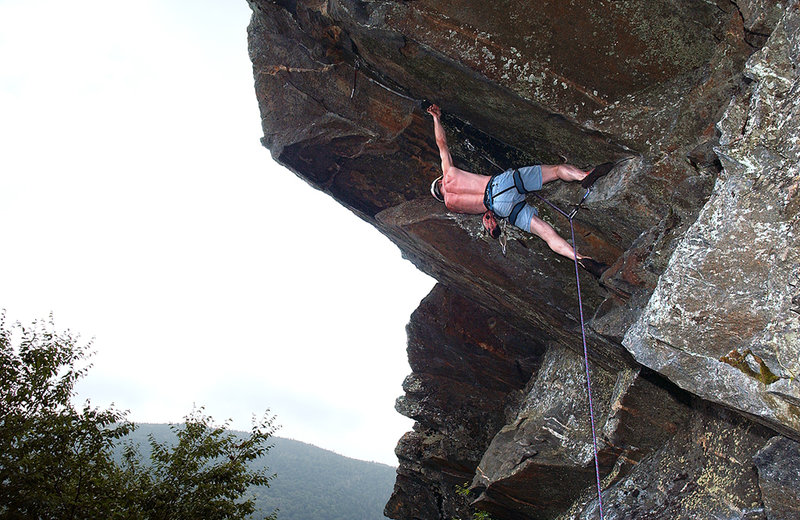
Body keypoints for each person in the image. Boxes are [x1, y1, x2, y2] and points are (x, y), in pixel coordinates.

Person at [426, 104, 608, 277]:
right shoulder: (449, 174)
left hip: (500, 207)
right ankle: (583, 177)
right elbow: (441, 143)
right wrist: (436, 118)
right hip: (500, 184)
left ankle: (580, 258)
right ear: (440, 181)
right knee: (555, 171)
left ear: (441, 198)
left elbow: (481, 213)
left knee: (545, 233)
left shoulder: (451, 205)